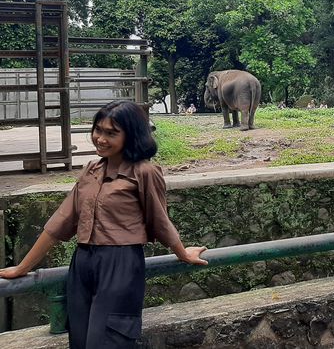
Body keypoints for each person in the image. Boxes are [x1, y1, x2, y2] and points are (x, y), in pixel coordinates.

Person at [0, 100, 208, 348]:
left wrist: (182, 252)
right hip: (82, 262)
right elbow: (60, 221)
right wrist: (22, 267)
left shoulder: (144, 172)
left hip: (120, 264)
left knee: (109, 340)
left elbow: (160, 219)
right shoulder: (91, 170)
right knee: (80, 339)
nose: (100, 138)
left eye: (111, 133)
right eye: (98, 130)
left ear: (131, 135)